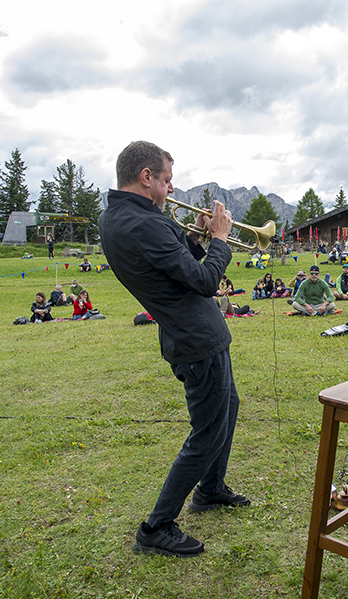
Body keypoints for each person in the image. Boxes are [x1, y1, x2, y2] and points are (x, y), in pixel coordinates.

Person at [99, 140, 248, 558]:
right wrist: (220, 239)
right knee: (206, 433)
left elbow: (179, 267)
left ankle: (211, 488)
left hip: (192, 334)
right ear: (146, 178)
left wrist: (199, 239)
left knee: (228, 408)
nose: (169, 190)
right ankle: (157, 526)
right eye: (166, 181)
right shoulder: (144, 224)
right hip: (196, 340)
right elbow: (204, 281)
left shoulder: (122, 217)